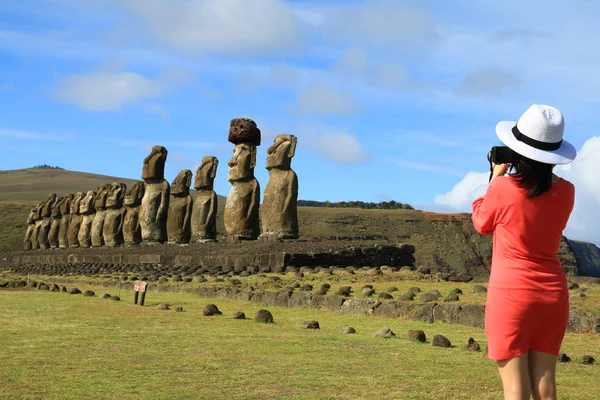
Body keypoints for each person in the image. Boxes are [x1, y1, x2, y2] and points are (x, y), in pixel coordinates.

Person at [472, 104, 577, 400]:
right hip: (552, 292)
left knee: (515, 390)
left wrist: (494, 179)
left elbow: (482, 223)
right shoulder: (567, 192)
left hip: (511, 293)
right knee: (545, 386)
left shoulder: (504, 188)